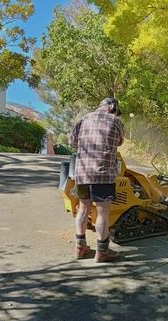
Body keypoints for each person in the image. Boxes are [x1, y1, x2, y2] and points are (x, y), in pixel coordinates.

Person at [69, 97, 124, 263]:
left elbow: (72, 142)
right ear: (112, 107)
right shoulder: (116, 121)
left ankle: (80, 247)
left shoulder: (83, 119)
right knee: (102, 211)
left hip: (82, 171)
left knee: (83, 208)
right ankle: (102, 251)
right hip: (103, 173)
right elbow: (120, 142)